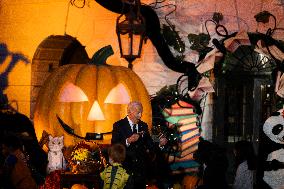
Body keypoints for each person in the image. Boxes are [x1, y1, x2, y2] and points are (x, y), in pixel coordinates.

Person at [111, 101, 167, 189]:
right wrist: (128, 141)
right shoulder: (119, 125)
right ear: (129, 112)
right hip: (125, 171)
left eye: (141, 112)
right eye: (138, 112)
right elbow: (114, 146)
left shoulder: (143, 125)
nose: (140, 115)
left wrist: (160, 144)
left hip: (141, 172)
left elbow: (150, 144)